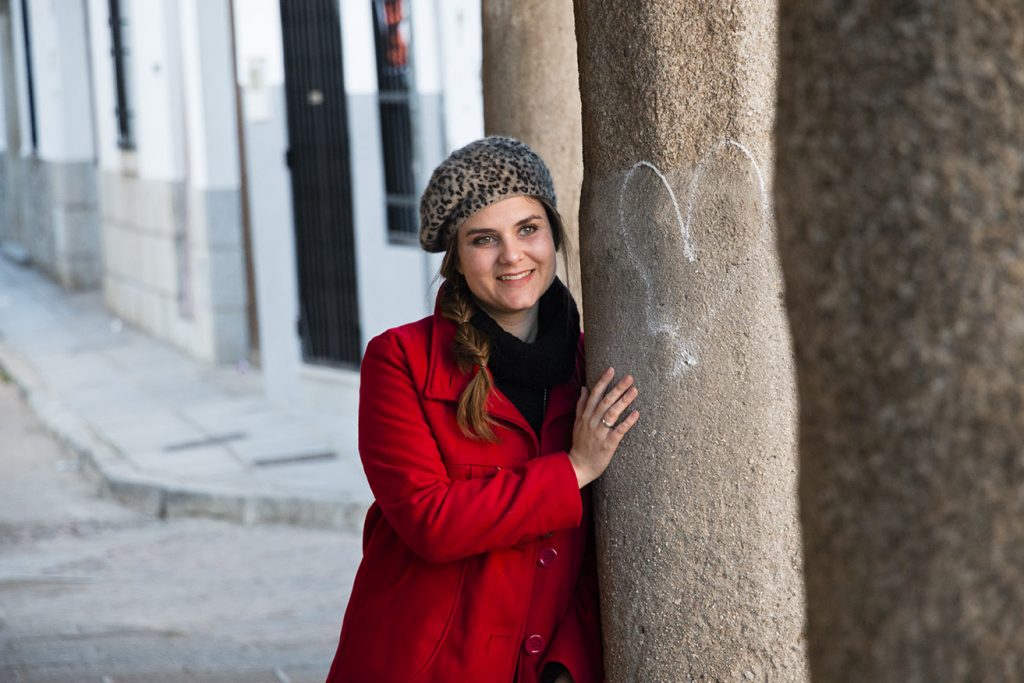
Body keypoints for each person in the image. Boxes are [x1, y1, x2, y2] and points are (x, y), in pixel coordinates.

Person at [325, 137, 640, 683]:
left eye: (527, 229)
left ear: (554, 235)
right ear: (457, 259)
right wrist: (573, 469)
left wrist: (572, 660)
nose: (512, 256)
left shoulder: (594, 365)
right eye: (484, 239)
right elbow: (431, 523)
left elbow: (611, 541)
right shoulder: (399, 361)